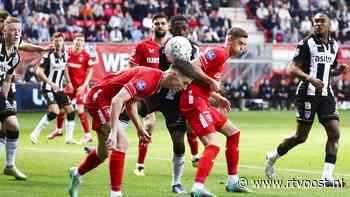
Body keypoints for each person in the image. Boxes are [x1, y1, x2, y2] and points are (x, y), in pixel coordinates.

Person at [67, 65, 193, 197]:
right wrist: (114, 131)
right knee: (122, 143)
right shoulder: (149, 79)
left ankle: (77, 173)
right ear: (173, 74)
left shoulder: (156, 83)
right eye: (184, 82)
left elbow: (130, 102)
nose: (183, 88)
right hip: (100, 99)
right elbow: (117, 99)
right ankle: (115, 193)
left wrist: (139, 128)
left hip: (107, 101)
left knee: (103, 153)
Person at [265, 13, 348, 187]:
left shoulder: (334, 45)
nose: (318, 24)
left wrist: (338, 72)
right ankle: (273, 156)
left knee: (334, 134)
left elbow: (327, 70)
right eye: (315, 22)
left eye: (321, 22)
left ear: (329, 25)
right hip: (307, 93)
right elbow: (292, 68)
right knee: (301, 137)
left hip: (326, 94)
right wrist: (310, 79)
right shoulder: (305, 43)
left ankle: (326, 177)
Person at [179, 27, 250, 197]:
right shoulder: (219, 53)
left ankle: (233, 181)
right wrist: (211, 81)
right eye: (240, 43)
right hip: (193, 101)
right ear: (230, 39)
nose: (243, 48)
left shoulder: (223, 58)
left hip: (202, 100)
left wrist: (216, 96)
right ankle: (197, 187)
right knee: (213, 144)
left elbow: (200, 81)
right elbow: (192, 67)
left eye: (245, 45)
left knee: (233, 132)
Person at [47, 33, 95, 144]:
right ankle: (58, 130)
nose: (79, 42)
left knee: (80, 109)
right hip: (69, 87)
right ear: (73, 40)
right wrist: (68, 82)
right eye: (78, 40)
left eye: (82, 40)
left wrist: (84, 86)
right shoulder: (67, 53)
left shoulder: (86, 56)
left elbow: (90, 71)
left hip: (80, 87)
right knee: (62, 109)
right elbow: (64, 67)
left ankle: (87, 135)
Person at [29, 32, 76, 144]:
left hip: (59, 88)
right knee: (55, 112)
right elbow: (39, 72)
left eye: (60, 40)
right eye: (56, 40)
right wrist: (50, 83)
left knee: (70, 110)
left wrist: (69, 82)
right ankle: (34, 134)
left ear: (63, 41)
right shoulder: (47, 56)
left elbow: (65, 68)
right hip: (48, 88)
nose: (58, 43)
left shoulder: (65, 54)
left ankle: (69, 138)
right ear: (53, 42)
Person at [0, 16, 26, 180]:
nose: (16, 33)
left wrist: (4, 98)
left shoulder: (15, 56)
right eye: (12, 30)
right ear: (4, 31)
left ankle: (10, 165)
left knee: (13, 125)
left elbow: (7, 79)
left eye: (19, 31)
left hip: (0, 94)